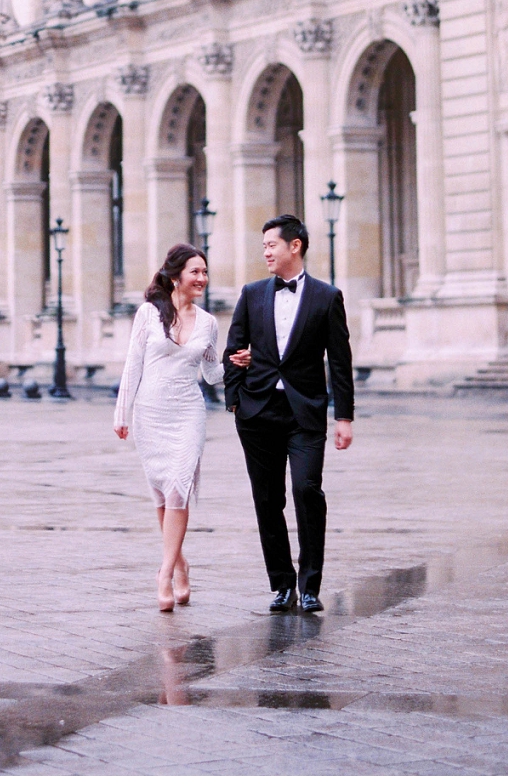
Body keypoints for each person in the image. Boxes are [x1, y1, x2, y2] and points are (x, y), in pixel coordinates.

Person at [224, 213, 354, 615]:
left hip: (306, 413)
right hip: (258, 412)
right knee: (267, 500)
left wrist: (344, 417)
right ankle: (281, 585)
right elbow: (233, 349)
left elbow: (340, 361)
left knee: (306, 490)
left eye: (271, 245)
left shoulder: (326, 296)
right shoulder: (251, 293)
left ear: (294, 246)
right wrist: (235, 399)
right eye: (263, 246)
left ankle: (310, 584)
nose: (265, 251)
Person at [114, 245, 224, 612]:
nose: (202, 279)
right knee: (162, 493)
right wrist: (122, 413)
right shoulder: (148, 314)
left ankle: (163, 573)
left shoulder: (209, 323)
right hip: (151, 413)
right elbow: (133, 365)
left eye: (205, 272)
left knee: (179, 487)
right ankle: (179, 563)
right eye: (196, 272)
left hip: (188, 413)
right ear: (176, 276)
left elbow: (211, 374)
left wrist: (240, 362)